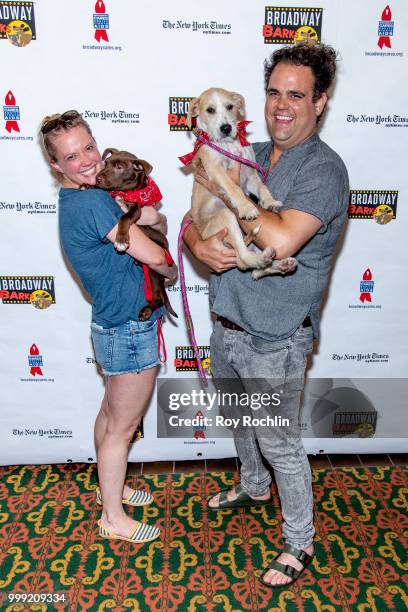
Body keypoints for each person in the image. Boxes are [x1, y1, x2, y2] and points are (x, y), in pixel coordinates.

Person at [183, 42, 349, 587]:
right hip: (226, 321)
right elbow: (193, 216)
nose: (282, 105)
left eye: (296, 95)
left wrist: (230, 193)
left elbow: (276, 240)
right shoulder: (244, 151)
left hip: (274, 337)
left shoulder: (323, 172)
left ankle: (299, 540)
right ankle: (252, 485)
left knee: (279, 440)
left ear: (320, 101)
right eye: (274, 92)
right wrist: (195, 246)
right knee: (239, 420)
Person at [40, 111, 177, 544]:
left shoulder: (83, 197)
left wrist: (152, 219)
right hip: (128, 328)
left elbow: (156, 222)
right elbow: (156, 257)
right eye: (71, 156)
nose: (87, 161)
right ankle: (114, 518)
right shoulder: (94, 201)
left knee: (110, 415)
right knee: (121, 427)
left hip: (114, 324)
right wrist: (166, 262)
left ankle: (109, 491)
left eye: (89, 147)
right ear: (56, 166)